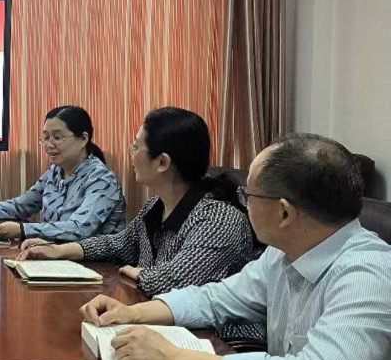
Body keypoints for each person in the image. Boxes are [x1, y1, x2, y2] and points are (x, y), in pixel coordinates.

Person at [80, 133, 391, 360]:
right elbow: (218, 298)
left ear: (284, 213)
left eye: (248, 196)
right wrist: (134, 312)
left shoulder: (368, 275)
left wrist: (174, 359)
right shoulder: (284, 253)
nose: (243, 204)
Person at [17, 107, 254, 300]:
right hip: (159, 324)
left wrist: (139, 274)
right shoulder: (155, 207)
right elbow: (119, 244)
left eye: (136, 146)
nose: (130, 152)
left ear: (162, 163)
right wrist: (60, 250)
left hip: (215, 340)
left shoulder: (219, 219)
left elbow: (178, 282)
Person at [0, 106, 125, 242]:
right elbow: (19, 206)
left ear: (83, 139)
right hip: (56, 258)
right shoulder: (54, 173)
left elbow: (80, 228)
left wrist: (22, 230)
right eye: (45, 138)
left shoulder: (101, 179)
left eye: (57, 137)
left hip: (98, 268)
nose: (49, 145)